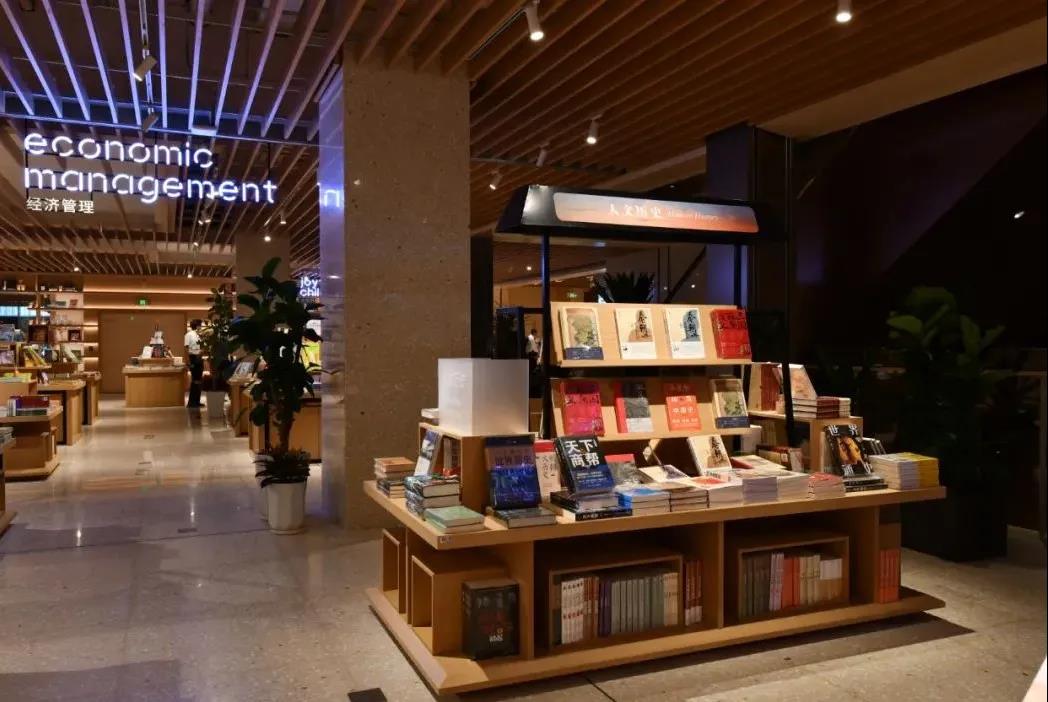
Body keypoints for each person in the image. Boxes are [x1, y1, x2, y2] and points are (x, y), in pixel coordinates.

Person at [184, 319, 204, 408]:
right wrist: (188, 361)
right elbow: (186, 348)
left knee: (199, 380)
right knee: (195, 380)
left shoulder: (198, 335)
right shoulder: (189, 335)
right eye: (200, 325)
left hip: (199, 357)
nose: (201, 327)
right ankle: (192, 402)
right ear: (197, 325)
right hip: (193, 358)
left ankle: (197, 401)